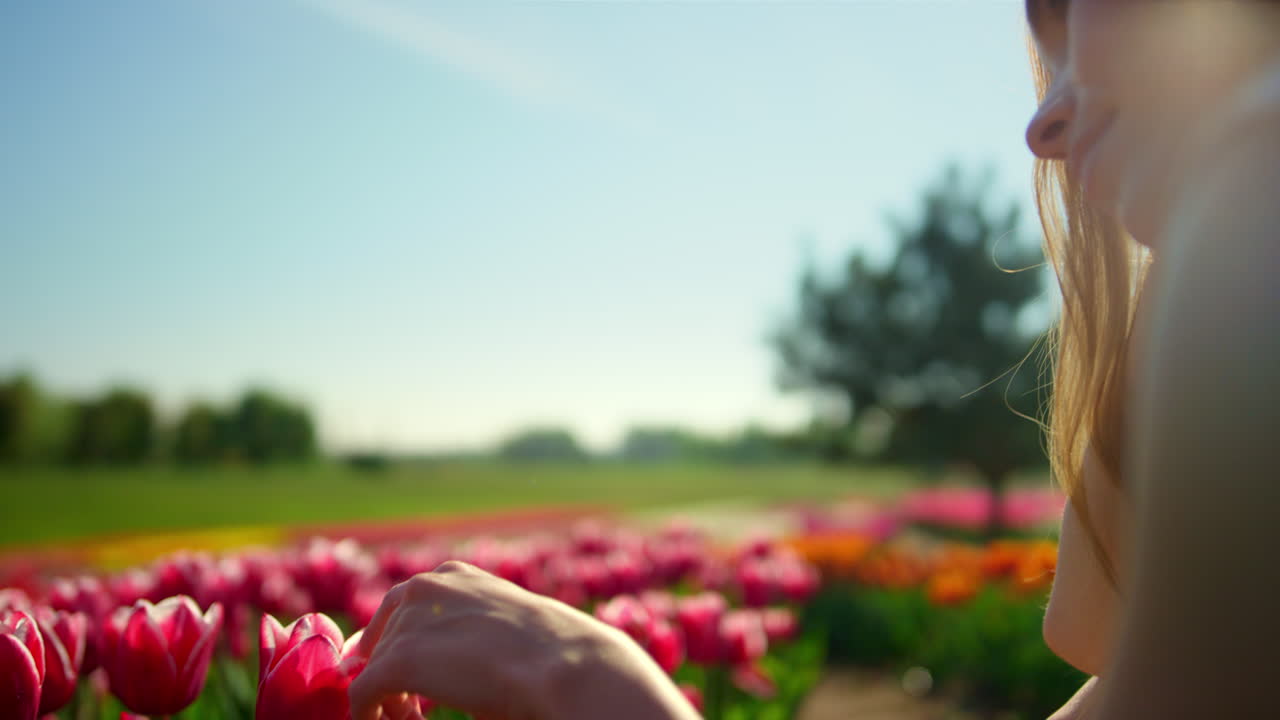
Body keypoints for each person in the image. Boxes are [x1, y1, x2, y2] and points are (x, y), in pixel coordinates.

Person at [349, 2, 1280, 718]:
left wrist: (587, 680)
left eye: (1074, 7)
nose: (1044, 119)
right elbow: (1121, 670)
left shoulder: (1253, 226)